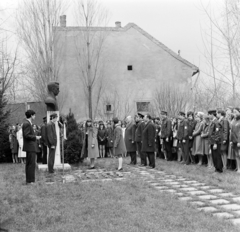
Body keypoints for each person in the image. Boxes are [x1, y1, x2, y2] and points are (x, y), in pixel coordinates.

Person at [22, 110, 41, 184]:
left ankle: (29, 180)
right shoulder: (27, 124)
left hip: (30, 146)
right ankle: (30, 181)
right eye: (34, 115)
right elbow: (26, 135)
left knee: (29, 163)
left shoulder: (27, 123)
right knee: (31, 164)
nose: (35, 116)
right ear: (31, 115)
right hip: (30, 146)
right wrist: (35, 137)